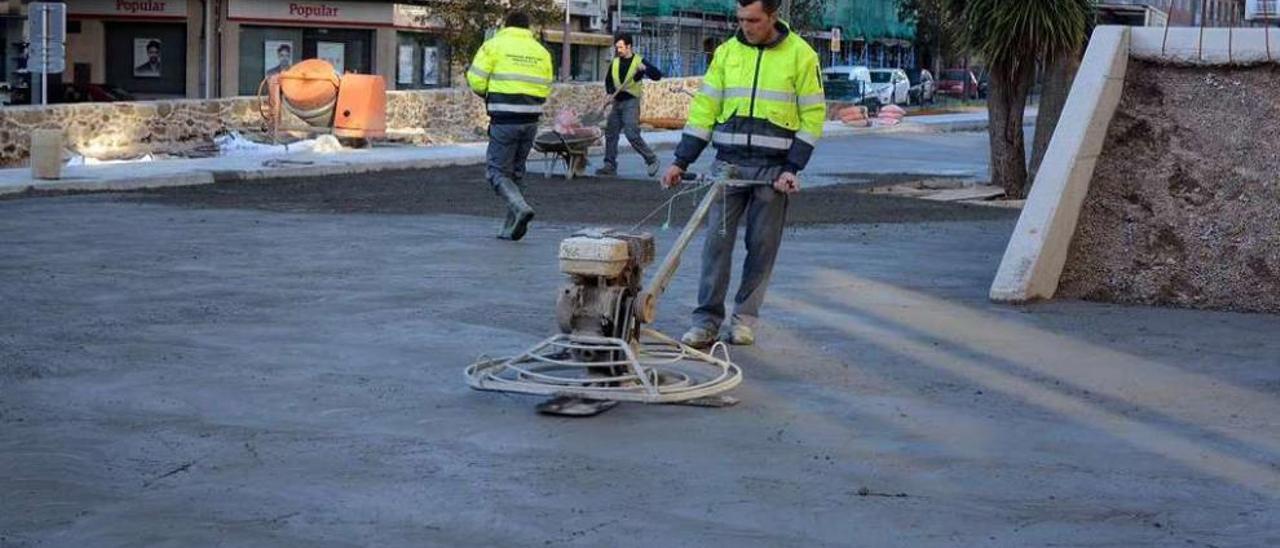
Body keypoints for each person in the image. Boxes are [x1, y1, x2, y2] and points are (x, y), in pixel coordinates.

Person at [660, 0, 825, 347]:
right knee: (715, 247)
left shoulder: (801, 55)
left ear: (772, 17)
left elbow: (812, 117)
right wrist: (681, 161)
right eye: (741, 19)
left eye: (754, 19)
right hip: (727, 166)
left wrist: (793, 168)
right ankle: (705, 321)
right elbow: (704, 109)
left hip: (773, 170)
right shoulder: (726, 54)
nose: (746, 26)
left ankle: (744, 318)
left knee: (761, 247)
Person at [466, 11, 554, 241]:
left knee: (496, 171)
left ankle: (519, 207)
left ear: (506, 25)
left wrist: (488, 94)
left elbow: (475, 80)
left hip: (504, 118)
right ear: (528, 28)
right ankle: (510, 227)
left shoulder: (493, 46)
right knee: (517, 172)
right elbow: (546, 86)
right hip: (531, 120)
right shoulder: (542, 52)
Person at [595, 33, 662, 178]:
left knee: (631, 133)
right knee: (611, 133)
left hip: (631, 102)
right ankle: (609, 164)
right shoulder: (615, 62)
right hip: (617, 101)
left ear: (629, 46)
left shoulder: (638, 61)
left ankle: (652, 159)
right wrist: (610, 93)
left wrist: (645, 69)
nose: (618, 50)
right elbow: (609, 82)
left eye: (620, 47)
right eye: (616, 47)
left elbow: (657, 75)